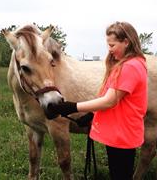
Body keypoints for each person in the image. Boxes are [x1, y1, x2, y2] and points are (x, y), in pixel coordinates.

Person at [46, 21, 148, 180]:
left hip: (122, 132)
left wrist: (72, 107)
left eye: (112, 45)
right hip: (119, 130)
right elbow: (110, 96)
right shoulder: (125, 65)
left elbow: (110, 101)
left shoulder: (130, 67)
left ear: (126, 42)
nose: (110, 50)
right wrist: (93, 115)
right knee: (117, 172)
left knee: (120, 174)